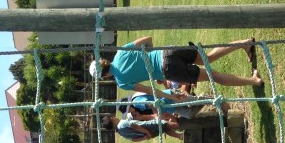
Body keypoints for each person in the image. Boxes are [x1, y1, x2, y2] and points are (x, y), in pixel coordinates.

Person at [89, 35, 264, 96]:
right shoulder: (121, 52)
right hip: (167, 51)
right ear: (104, 61)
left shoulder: (121, 82)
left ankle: (254, 81)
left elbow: (150, 91)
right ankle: (245, 43)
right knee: (208, 58)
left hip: (168, 70)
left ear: (104, 76)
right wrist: (149, 58)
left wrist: (169, 92)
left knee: (214, 76)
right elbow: (148, 40)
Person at [102, 112, 183, 141]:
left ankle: (179, 136)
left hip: (147, 135)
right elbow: (135, 126)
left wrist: (144, 138)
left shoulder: (120, 133)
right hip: (147, 127)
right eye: (112, 117)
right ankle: (182, 125)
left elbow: (133, 139)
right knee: (165, 124)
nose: (114, 117)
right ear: (112, 120)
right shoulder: (121, 123)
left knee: (164, 129)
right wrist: (146, 131)